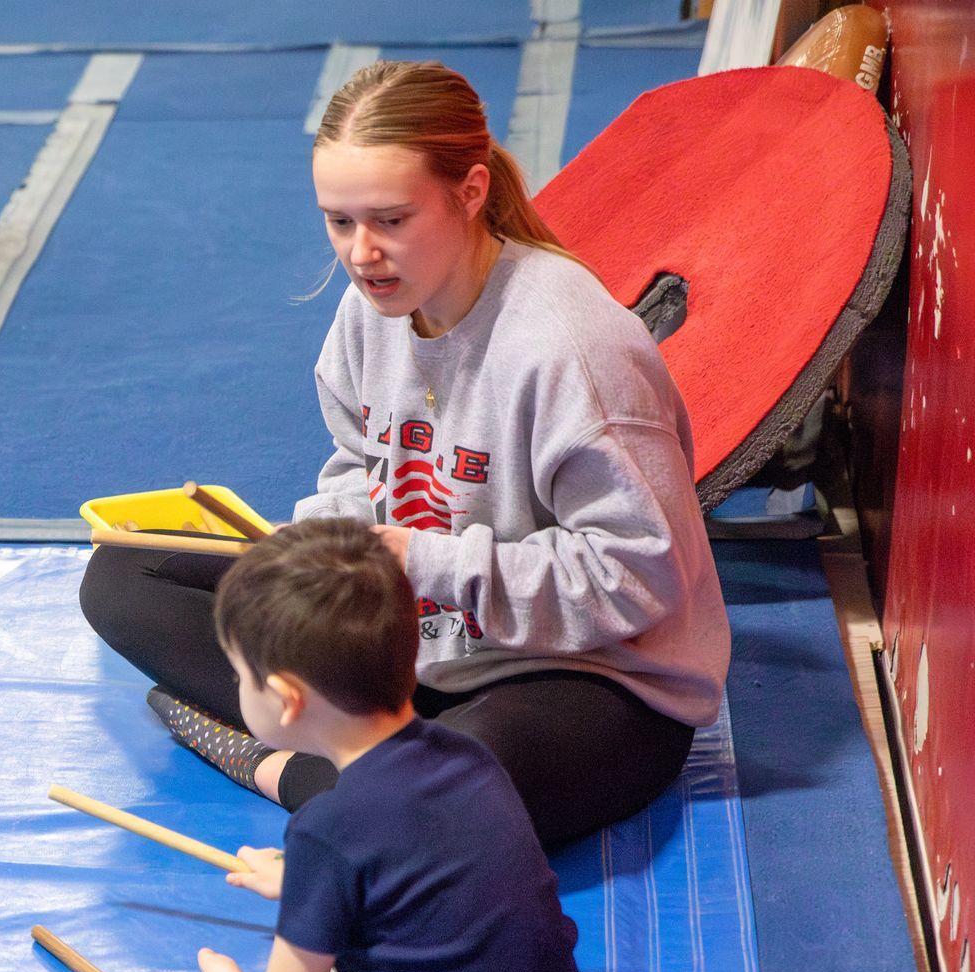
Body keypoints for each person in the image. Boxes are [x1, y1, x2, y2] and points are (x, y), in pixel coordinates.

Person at [79, 60, 729, 850]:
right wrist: (329, 549)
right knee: (127, 574)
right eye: (339, 222)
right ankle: (363, 763)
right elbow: (359, 464)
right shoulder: (371, 311)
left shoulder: (574, 351)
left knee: (451, 796)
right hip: (412, 657)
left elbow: (637, 578)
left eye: (390, 219)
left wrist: (422, 562)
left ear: (471, 191)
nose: (362, 253)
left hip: (584, 680)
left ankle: (286, 766)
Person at [116, 520, 585, 972]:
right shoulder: (467, 758)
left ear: (284, 700)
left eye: (238, 677)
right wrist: (304, 880)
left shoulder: (329, 828)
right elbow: (423, 876)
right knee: (346, 960)